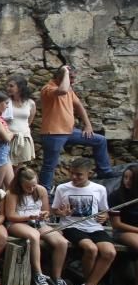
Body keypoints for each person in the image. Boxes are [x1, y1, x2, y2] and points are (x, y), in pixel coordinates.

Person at [51, 157, 115, 285]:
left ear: (89, 173)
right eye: (72, 173)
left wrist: (104, 216)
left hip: (94, 227)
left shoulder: (99, 189)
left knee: (110, 252)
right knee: (91, 249)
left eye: (79, 175)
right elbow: (54, 210)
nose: (74, 177)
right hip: (71, 226)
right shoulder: (62, 188)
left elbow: (104, 211)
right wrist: (61, 212)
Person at [38, 65, 113, 193]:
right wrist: (65, 72)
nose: (73, 80)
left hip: (69, 132)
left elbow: (79, 106)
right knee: (49, 165)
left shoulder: (69, 89)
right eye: (71, 77)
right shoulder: (48, 88)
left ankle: (104, 172)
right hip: (53, 133)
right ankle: (45, 192)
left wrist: (88, 125)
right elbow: (62, 90)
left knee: (100, 140)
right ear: (61, 76)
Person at [3, 166, 69, 285]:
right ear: (20, 184)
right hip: (18, 222)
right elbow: (10, 215)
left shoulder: (41, 190)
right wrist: (28, 217)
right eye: (28, 187)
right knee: (34, 236)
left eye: (34, 185)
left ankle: (57, 277)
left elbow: (46, 211)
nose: (32, 189)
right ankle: (38, 273)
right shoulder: (12, 193)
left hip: (38, 222)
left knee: (62, 243)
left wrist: (44, 214)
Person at [109, 164, 138, 284]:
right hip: (124, 231)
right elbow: (116, 224)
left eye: (131, 179)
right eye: (125, 177)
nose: (127, 181)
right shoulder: (116, 196)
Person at [4, 74, 36, 168]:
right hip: (9, 138)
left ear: (20, 87)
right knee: (7, 166)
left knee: (20, 167)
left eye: (11, 86)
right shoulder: (6, 102)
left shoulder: (30, 103)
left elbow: (29, 121)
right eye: (7, 86)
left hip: (23, 138)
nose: (8, 88)